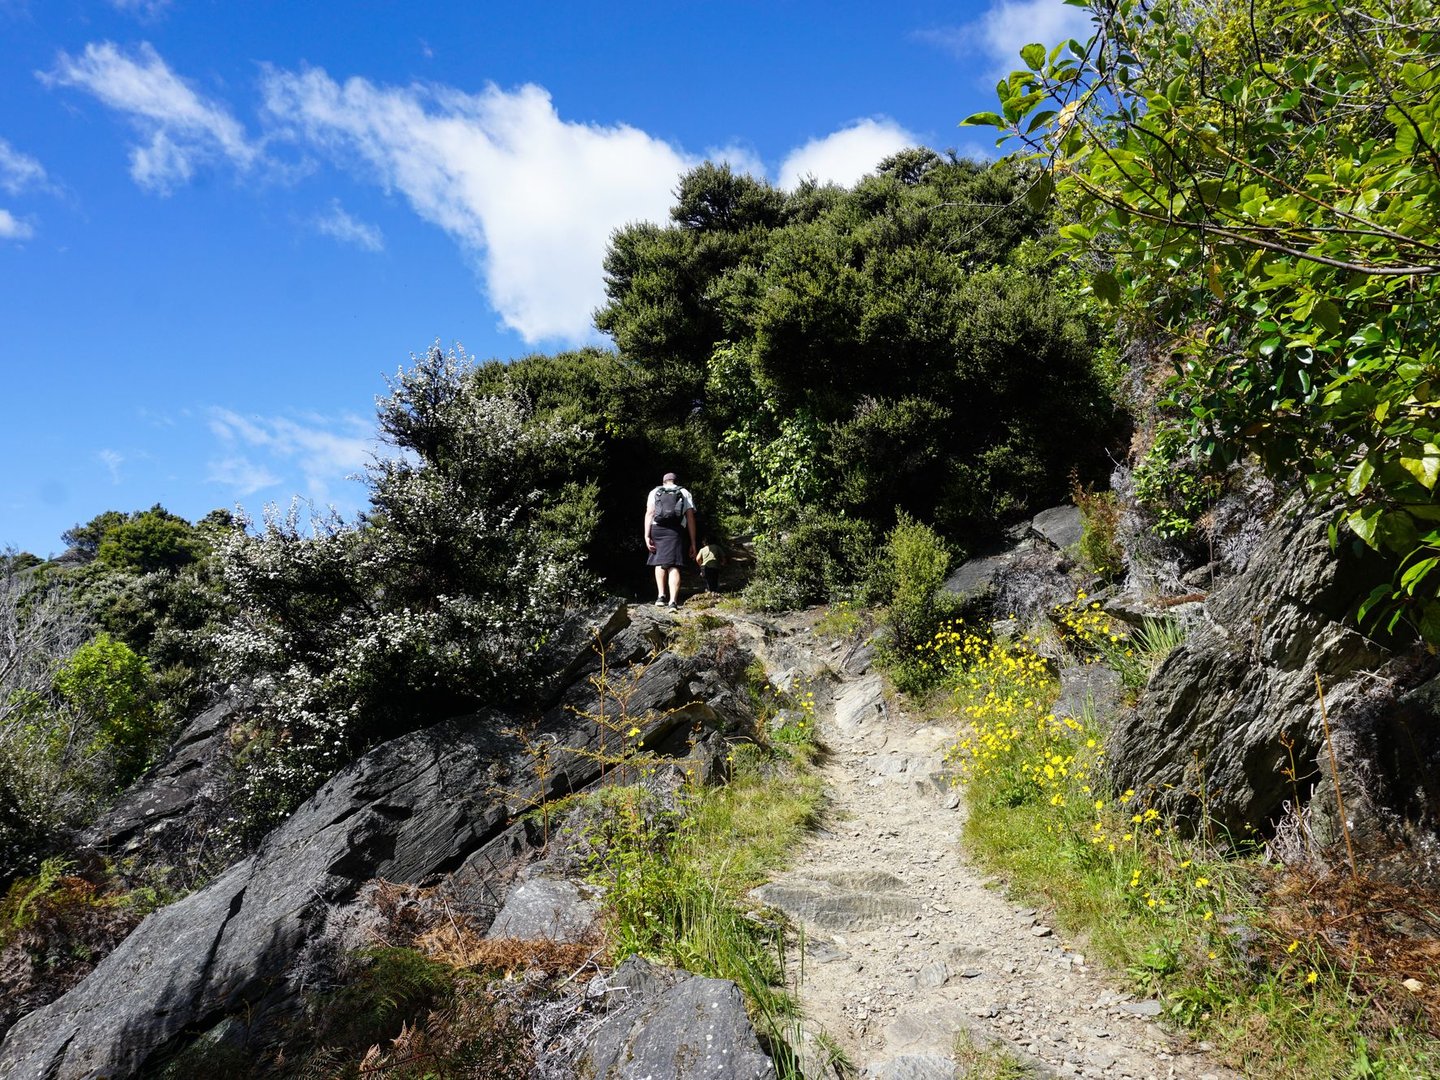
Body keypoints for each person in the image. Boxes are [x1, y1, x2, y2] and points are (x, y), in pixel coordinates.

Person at [644, 471, 696, 607]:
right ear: (675, 481)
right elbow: (690, 518)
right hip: (676, 530)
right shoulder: (684, 492)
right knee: (674, 565)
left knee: (659, 561)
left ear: (664, 482)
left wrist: (646, 535)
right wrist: (693, 542)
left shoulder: (654, 492)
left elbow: (649, 514)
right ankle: (673, 601)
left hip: (657, 530)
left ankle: (660, 597)